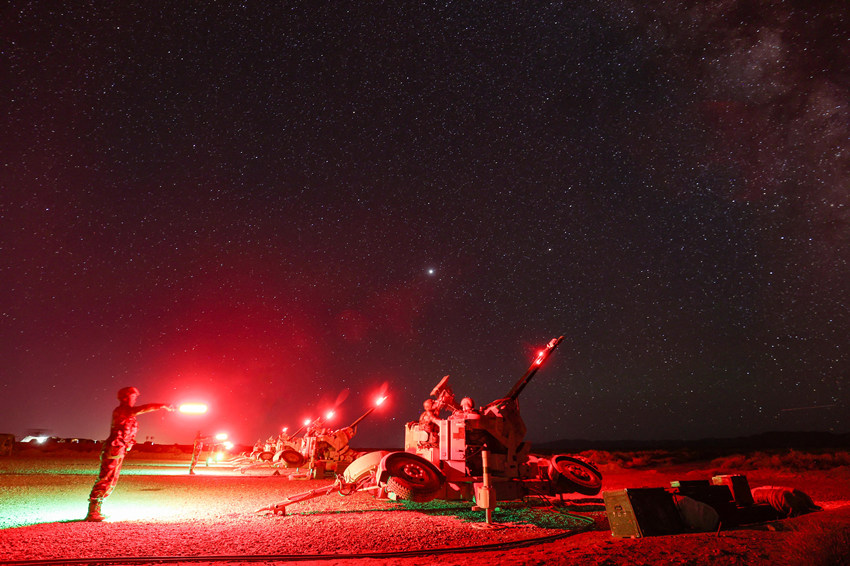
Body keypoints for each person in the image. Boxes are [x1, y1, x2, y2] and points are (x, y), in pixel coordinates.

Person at [85, 386, 174, 521]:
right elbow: (141, 409)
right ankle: (92, 512)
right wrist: (161, 406)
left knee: (111, 480)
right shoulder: (122, 410)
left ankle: (97, 509)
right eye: (133, 396)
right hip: (114, 448)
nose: (135, 398)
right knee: (105, 478)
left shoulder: (129, 413)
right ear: (125, 397)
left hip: (119, 449)